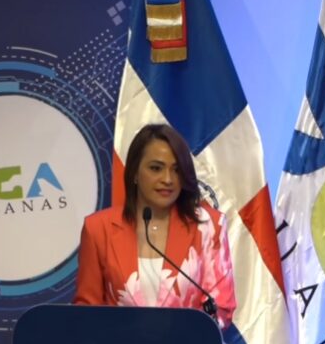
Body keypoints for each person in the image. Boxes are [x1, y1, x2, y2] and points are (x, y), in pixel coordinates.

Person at [73, 124, 236, 328]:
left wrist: (175, 337)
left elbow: (221, 308)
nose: (168, 179)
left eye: (176, 170)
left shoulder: (208, 226)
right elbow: (87, 311)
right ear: (134, 173)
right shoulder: (98, 228)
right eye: (156, 168)